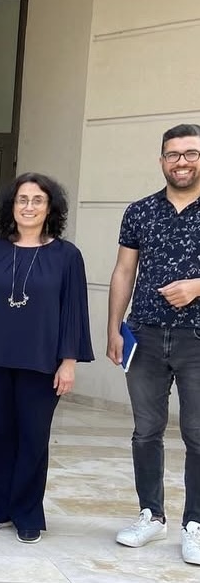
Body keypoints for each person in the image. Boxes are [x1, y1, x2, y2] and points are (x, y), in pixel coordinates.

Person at [0, 173, 93, 544]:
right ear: (11, 207)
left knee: (33, 437)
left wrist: (69, 362)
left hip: (42, 362)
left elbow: (73, 312)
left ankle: (27, 512)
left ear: (50, 209)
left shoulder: (67, 256)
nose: (28, 207)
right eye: (22, 200)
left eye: (37, 200)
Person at [108, 123, 200, 566]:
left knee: (197, 433)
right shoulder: (140, 211)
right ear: (162, 160)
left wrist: (197, 286)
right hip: (144, 336)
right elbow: (124, 270)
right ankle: (151, 515)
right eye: (173, 154)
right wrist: (113, 327)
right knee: (146, 431)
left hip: (197, 339)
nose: (181, 162)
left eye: (190, 153)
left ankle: (195, 523)